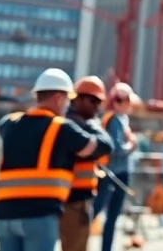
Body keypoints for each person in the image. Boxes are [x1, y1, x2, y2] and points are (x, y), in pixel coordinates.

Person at [0, 68, 113, 251]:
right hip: (39, 214)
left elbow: (7, 127)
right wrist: (87, 125)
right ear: (58, 98)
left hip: (5, 215)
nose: (69, 106)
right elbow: (100, 147)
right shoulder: (62, 128)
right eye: (67, 100)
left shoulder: (10, 123)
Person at [60, 76, 114, 251]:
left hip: (70, 199)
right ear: (77, 99)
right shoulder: (70, 126)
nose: (97, 107)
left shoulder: (78, 124)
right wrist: (93, 126)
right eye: (93, 101)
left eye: (98, 102)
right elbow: (106, 145)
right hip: (72, 200)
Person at [93, 82, 138, 251]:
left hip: (115, 173)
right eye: (128, 101)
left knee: (110, 217)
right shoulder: (114, 120)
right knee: (102, 213)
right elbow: (116, 148)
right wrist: (132, 146)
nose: (131, 105)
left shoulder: (120, 120)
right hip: (113, 174)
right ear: (119, 102)